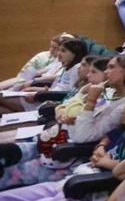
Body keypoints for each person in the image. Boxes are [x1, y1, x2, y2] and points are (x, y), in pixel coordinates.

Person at [0, 56, 107, 187]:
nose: (83, 70)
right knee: (6, 150)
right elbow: (62, 109)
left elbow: (72, 118)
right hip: (51, 135)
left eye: (93, 71)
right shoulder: (86, 88)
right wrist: (72, 104)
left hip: (64, 150)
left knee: (10, 173)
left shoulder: (103, 100)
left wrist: (73, 108)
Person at [0, 39, 87, 115]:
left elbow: (69, 94)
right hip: (46, 96)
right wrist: (40, 90)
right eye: (59, 50)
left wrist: (38, 96)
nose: (59, 54)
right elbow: (59, 86)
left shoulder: (77, 69)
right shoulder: (68, 66)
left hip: (48, 102)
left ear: (74, 53)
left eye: (63, 51)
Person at [0, 34, 73, 91]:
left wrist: (36, 79)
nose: (51, 50)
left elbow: (58, 77)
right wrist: (30, 74)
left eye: (55, 48)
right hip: (38, 80)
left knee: (17, 84)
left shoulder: (69, 65)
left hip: (42, 83)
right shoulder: (56, 60)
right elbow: (44, 70)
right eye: (51, 47)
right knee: (19, 79)